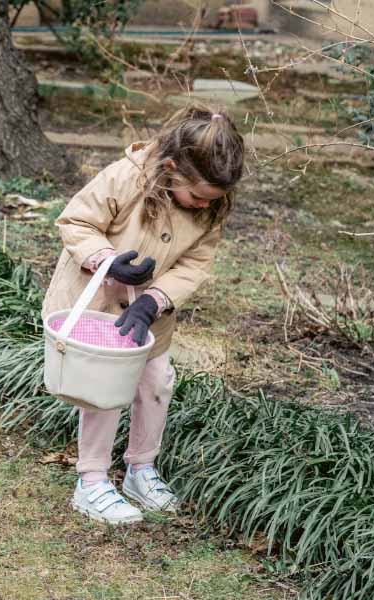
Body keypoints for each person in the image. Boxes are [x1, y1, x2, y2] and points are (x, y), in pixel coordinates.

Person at [43, 104, 244, 524]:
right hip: (98, 306)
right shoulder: (125, 177)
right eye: (199, 196)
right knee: (104, 391)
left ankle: (141, 469)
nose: (204, 205)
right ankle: (92, 480)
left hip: (149, 316)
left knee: (157, 382)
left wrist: (155, 300)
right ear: (171, 168)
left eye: (214, 199)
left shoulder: (210, 207)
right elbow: (76, 221)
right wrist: (105, 260)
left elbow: (194, 264)